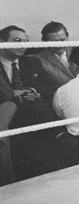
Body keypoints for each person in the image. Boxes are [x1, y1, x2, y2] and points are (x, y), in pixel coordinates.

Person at [0, 25, 58, 180]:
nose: (23, 45)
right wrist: (13, 94)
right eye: (17, 40)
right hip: (6, 119)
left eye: (26, 41)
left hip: (34, 117)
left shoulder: (31, 62)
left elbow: (49, 87)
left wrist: (35, 92)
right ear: (2, 41)